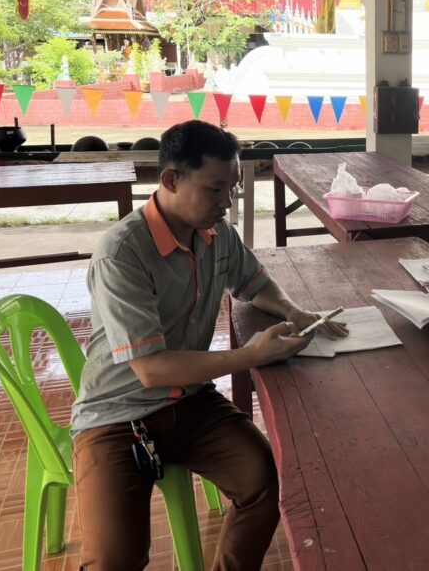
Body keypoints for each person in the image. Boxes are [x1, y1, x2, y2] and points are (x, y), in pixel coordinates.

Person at [70, 120, 347, 570]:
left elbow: (255, 283)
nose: (227, 202)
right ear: (170, 180)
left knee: (266, 481)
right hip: (118, 416)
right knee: (113, 559)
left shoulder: (217, 235)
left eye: (232, 188)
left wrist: (292, 310)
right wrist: (250, 356)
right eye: (215, 189)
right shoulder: (123, 253)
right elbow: (151, 370)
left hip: (190, 403)